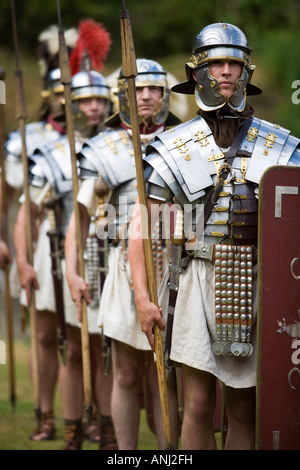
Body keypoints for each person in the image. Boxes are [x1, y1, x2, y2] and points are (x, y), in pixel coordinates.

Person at [128, 22, 300, 450]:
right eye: (217, 63)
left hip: (257, 281)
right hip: (196, 279)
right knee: (199, 405)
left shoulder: (281, 146)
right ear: (198, 72)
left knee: (244, 407)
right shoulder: (172, 146)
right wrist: (143, 298)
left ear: (246, 72)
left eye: (234, 63)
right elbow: (141, 229)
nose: (226, 71)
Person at [65, 58, 182, 450]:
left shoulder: (184, 142)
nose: (146, 96)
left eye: (153, 88)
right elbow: (78, 220)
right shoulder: (103, 148)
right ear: (124, 95)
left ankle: (169, 455)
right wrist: (72, 271)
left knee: (164, 374)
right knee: (127, 374)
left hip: (176, 266)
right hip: (122, 266)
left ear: (165, 93)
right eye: (138, 88)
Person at [14, 19, 116, 450]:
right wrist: (21, 259)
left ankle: (106, 424)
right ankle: (68, 421)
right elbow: (27, 211)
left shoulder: (117, 146)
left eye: (99, 100)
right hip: (55, 246)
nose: (93, 108)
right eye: (85, 101)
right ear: (70, 104)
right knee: (67, 343)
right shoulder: (51, 152)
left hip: (109, 251)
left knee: (104, 347)